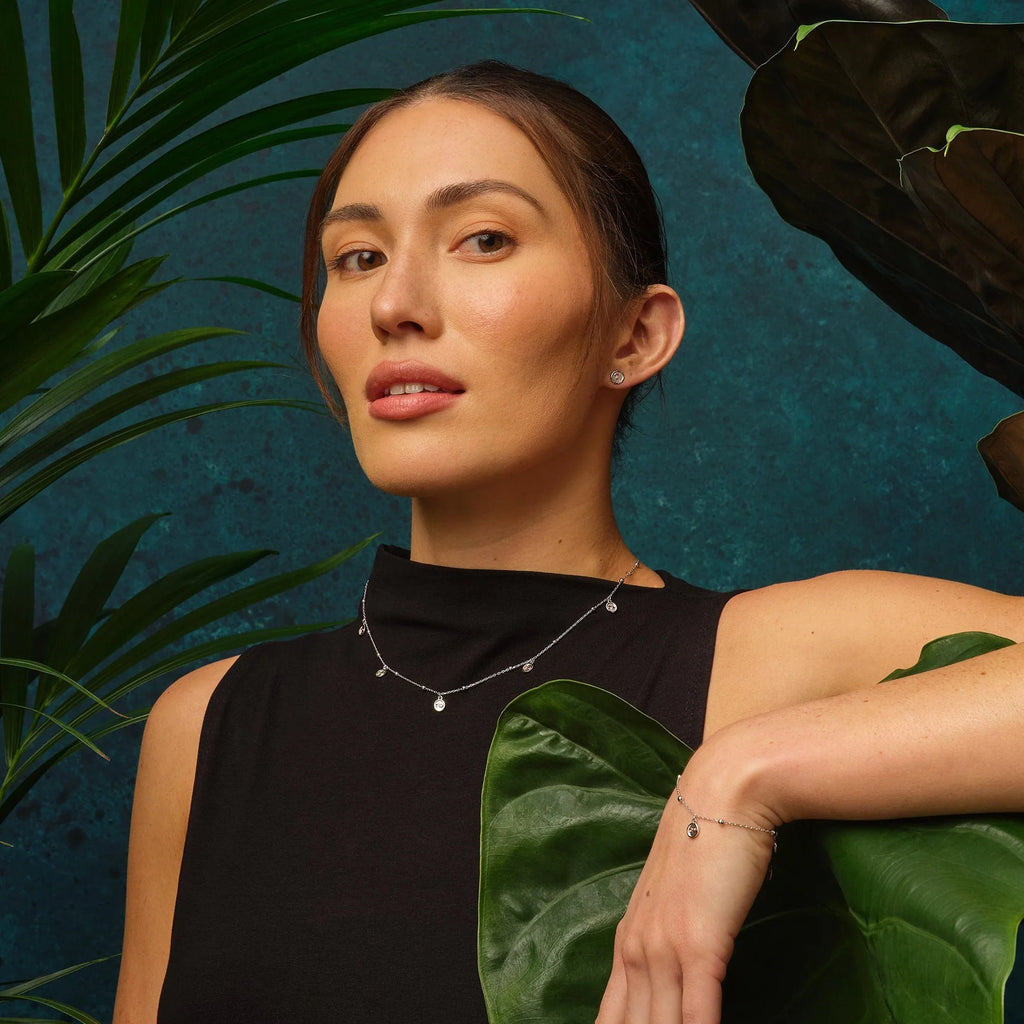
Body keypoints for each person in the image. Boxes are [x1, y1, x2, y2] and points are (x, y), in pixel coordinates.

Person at [112, 61, 1024, 1024]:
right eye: (358, 257)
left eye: (483, 239)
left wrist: (740, 777)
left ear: (635, 335)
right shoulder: (209, 723)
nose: (395, 306)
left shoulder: (766, 656)